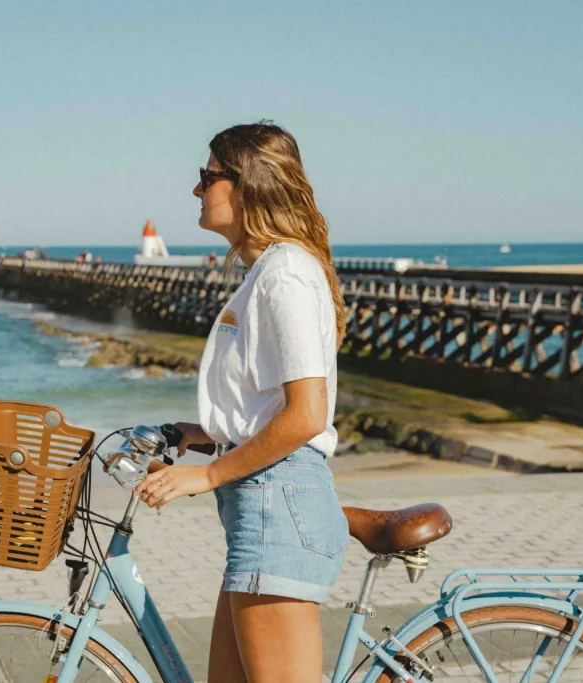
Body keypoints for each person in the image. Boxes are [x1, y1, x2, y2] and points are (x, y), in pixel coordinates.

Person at [135, 121, 348, 683]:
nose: (197, 190)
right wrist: (198, 433)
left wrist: (205, 476)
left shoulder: (285, 275)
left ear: (247, 183)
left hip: (278, 505)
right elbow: (268, 406)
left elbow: (307, 415)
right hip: (261, 507)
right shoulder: (265, 274)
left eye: (207, 177)